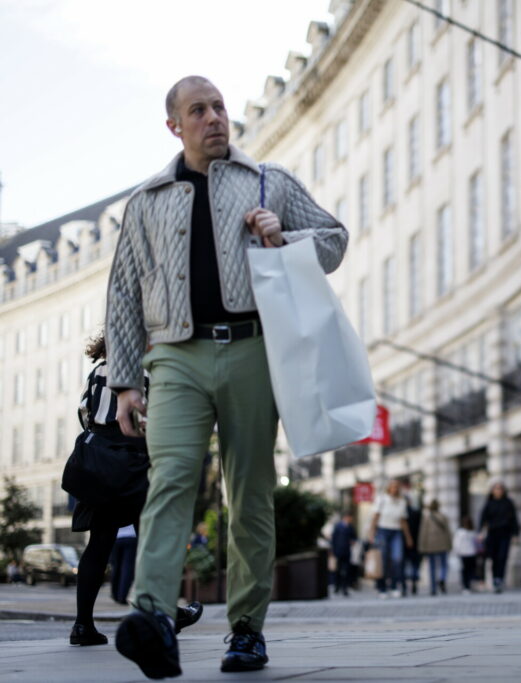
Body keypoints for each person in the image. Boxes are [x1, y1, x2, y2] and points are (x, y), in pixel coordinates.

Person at [106, 75, 346, 678]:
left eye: (218, 106)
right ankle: (154, 614)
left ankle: (246, 630)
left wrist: (283, 234)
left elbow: (336, 241)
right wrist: (125, 382)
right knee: (172, 478)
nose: (213, 117)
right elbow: (123, 294)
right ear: (175, 126)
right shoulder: (148, 201)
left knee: (251, 493)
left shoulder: (270, 181)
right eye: (198, 110)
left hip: (252, 352)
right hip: (175, 356)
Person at [71, 333, 202, 647]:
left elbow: (84, 414)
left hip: (99, 462)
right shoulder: (142, 370)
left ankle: (82, 625)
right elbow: (155, 416)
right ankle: (164, 613)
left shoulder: (98, 371)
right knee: (152, 539)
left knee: (99, 544)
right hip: (133, 459)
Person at [369, 479, 414, 598]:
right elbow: (375, 517)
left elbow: (403, 521)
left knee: (397, 559)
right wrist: (371, 534)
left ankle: (394, 586)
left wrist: (408, 537)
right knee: (383, 560)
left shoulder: (402, 501)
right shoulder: (382, 499)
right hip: (383, 531)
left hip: (397, 532)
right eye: (392, 487)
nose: (395, 489)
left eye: (397, 487)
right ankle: (382, 587)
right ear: (388, 488)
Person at [478, 481, 519, 593]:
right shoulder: (489, 503)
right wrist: (480, 532)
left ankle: (500, 578)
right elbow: (482, 518)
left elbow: (514, 519)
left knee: (503, 557)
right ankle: (495, 579)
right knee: (494, 558)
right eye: (496, 489)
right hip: (492, 533)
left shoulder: (508, 503)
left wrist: (515, 533)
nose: (498, 491)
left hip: (505, 533)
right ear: (492, 491)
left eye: (500, 489)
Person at [417, 500, 453, 596]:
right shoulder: (443, 517)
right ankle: (442, 579)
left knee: (432, 567)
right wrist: (450, 545)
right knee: (443, 565)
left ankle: (433, 588)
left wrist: (422, 547)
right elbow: (448, 532)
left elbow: (423, 533)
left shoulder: (426, 518)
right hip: (443, 544)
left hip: (430, 546)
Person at [330, 512, 359, 596]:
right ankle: (337, 586)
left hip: (347, 551)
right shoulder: (338, 526)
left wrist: (353, 541)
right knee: (337, 570)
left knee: (346, 570)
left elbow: (354, 537)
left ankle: (345, 588)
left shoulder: (350, 527)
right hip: (338, 550)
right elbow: (334, 539)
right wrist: (333, 550)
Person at [110, 526, 139, 604]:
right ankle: (122, 596)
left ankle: (115, 594)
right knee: (127, 568)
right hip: (131, 536)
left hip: (116, 537)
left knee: (116, 566)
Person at [452, 517, 479, 594]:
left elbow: (456, 543)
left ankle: (466, 586)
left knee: (465, 571)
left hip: (463, 553)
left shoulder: (460, 532)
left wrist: (456, 552)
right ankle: (468, 585)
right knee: (470, 570)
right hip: (471, 553)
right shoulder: (473, 532)